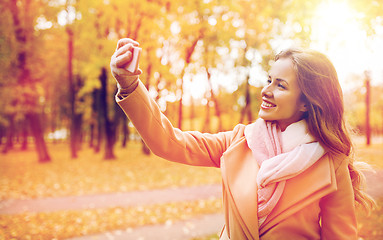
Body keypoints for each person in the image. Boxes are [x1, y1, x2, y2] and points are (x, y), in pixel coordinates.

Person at [110, 38, 375, 239]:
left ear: (306, 102)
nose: (266, 90)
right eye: (269, 80)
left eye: (280, 85)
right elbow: (168, 142)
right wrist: (130, 86)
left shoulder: (332, 162)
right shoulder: (239, 140)